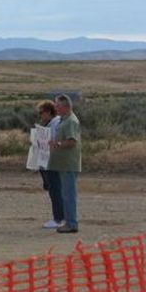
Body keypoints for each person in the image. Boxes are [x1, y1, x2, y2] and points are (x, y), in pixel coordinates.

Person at [48, 94, 82, 234]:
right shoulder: (63, 120)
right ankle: (69, 221)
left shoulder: (70, 122)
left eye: (57, 105)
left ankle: (71, 223)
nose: (55, 108)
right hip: (62, 164)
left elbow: (72, 141)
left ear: (65, 106)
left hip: (68, 164)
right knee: (65, 194)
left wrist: (59, 143)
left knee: (69, 194)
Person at [36, 100, 63, 229]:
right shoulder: (52, 123)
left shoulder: (55, 124)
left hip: (54, 162)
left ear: (48, 112)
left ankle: (58, 218)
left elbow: (53, 142)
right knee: (54, 189)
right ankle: (59, 216)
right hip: (49, 161)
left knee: (55, 190)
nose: (40, 116)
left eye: (41, 113)